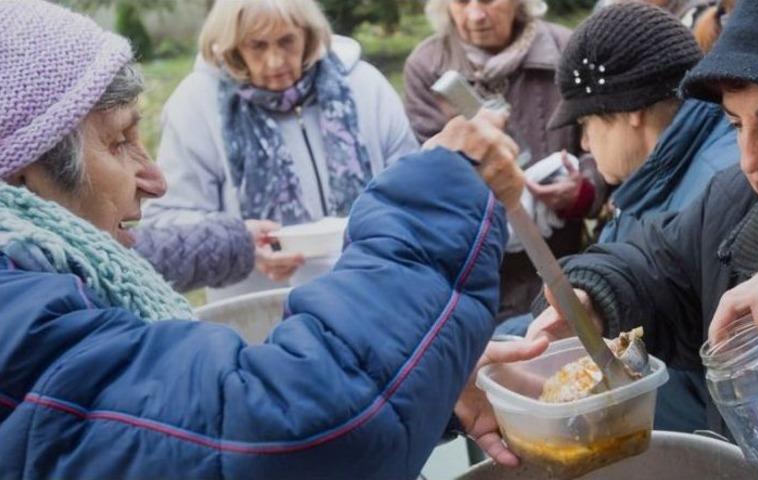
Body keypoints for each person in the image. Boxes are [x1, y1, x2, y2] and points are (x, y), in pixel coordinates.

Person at [0, 1, 527, 477]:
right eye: (118, 141)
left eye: (287, 41)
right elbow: (285, 430)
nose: (153, 180)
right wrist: (438, 195)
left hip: (356, 322)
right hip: (317, 326)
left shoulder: (362, 87)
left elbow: (178, 442)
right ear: (23, 177)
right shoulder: (22, 321)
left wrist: (424, 364)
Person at [512, 0, 758, 442]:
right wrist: (592, 299)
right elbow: (655, 265)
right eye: (735, 124)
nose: (751, 158)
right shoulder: (736, 201)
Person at [142, 0, 419, 302]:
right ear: (232, 46)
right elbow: (165, 219)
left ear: (309, 34)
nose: (275, 62)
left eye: (287, 41)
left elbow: (412, 190)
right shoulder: (196, 104)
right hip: (263, 312)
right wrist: (237, 242)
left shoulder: (365, 86)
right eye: (257, 46)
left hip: (373, 295)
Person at [405, 0, 604, 322]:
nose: (475, 15)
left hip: (565, 268)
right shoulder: (427, 67)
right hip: (477, 280)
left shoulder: (565, 49)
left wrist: (582, 190)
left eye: (488, 0)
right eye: (461, 2)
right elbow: (428, 174)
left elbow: (601, 140)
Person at [549, 2, 738, 244]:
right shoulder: (665, 180)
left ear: (631, 109)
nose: (585, 144)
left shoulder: (719, 196)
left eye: (586, 122)